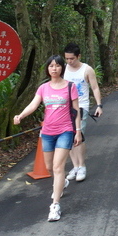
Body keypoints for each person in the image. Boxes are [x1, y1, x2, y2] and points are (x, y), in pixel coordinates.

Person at [14, 55, 81, 222]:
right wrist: (20, 115)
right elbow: (33, 104)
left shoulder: (70, 87)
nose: (54, 68)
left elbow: (76, 110)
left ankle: (55, 205)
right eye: (51, 66)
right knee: (49, 167)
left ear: (62, 68)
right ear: (47, 69)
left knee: (58, 167)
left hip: (65, 131)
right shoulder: (43, 88)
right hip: (47, 132)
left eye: (57, 65)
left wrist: (78, 131)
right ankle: (62, 182)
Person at [63, 42, 103, 182]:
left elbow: (95, 88)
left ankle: (82, 166)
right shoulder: (63, 68)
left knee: (79, 136)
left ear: (78, 56)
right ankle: (75, 166)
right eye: (67, 59)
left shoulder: (87, 70)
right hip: (65, 107)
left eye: (72, 58)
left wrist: (99, 105)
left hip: (81, 106)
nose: (69, 61)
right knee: (68, 137)